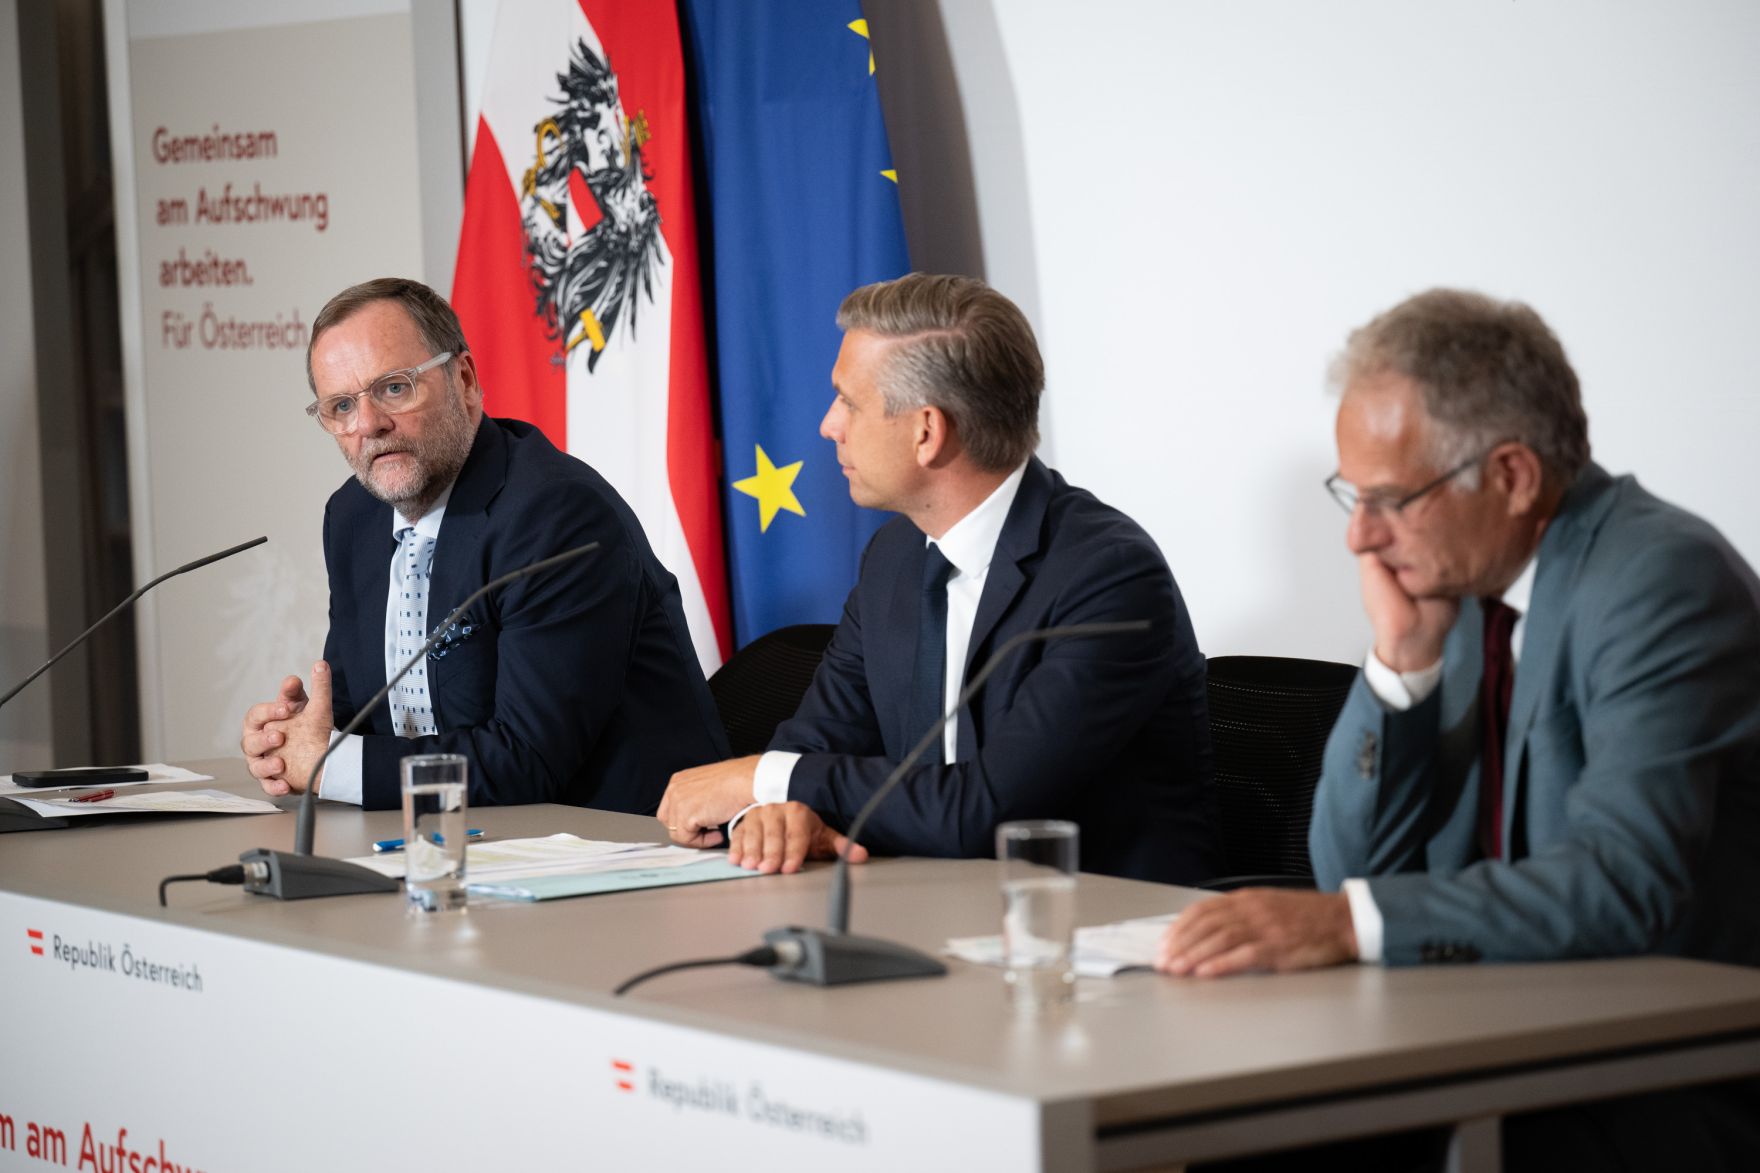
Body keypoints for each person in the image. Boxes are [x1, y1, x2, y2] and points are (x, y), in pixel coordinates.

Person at [1159, 288, 1760, 1171]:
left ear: (1513, 476)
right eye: (1351, 497)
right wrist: (1401, 664)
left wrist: (1347, 924)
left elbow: (1625, 881)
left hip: (1664, 1073)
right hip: (1500, 1028)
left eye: (1391, 498)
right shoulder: (1467, 588)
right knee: (1259, 1129)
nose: (1361, 537)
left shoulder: (1657, 581)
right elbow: (1351, 870)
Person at [657, 273, 1217, 883]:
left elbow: (987, 810)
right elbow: (813, 751)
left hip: (1097, 936)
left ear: (927, 431)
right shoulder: (894, 557)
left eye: (848, 401)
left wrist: (757, 778)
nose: (828, 425)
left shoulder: (1108, 576)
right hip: (926, 907)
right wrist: (767, 814)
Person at [239, 277, 726, 811]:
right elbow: (366, 709)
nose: (369, 425)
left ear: (464, 379)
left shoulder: (555, 516)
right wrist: (299, 737)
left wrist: (331, 765)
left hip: (617, 847)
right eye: (341, 406)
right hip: (456, 845)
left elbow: (528, 761)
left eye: (395, 387)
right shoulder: (355, 516)